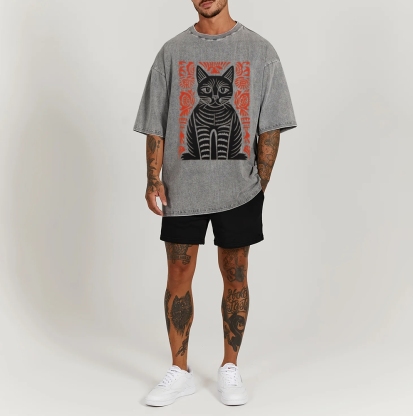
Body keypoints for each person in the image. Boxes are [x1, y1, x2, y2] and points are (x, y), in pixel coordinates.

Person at [133, 0, 297, 407]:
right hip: (181, 188)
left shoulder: (260, 51)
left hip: (240, 190)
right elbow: (155, 122)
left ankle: (229, 367)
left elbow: (271, 124)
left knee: (236, 275)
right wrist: (153, 177)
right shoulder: (172, 52)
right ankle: (180, 371)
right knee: (178, 276)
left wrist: (259, 183)